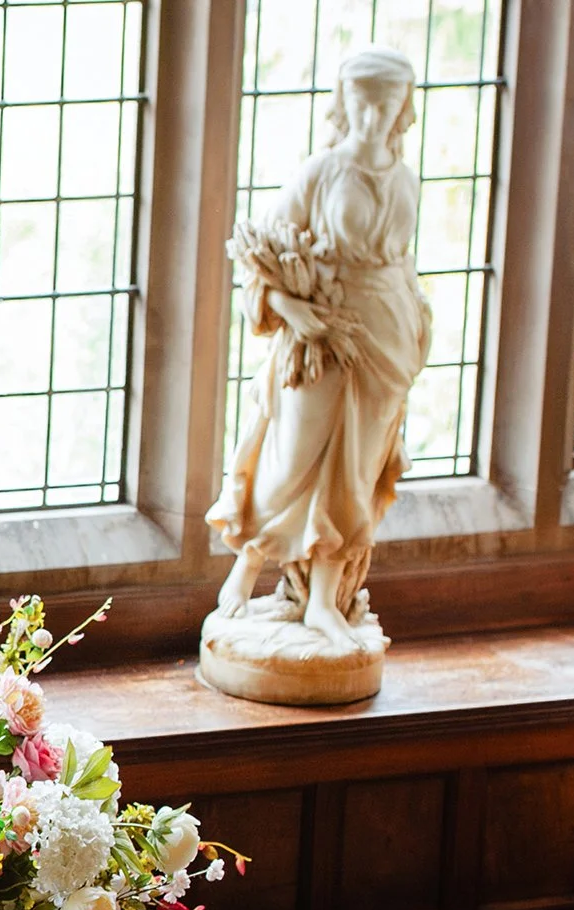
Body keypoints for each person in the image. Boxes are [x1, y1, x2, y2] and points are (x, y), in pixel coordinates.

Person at [209, 44, 432, 649]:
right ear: (344, 103)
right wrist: (293, 312)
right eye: (362, 102)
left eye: (386, 103)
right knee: (291, 456)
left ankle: (323, 604)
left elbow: (404, 263)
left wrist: (417, 324)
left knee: (356, 472)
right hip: (323, 338)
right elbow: (256, 254)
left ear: (403, 107)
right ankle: (249, 561)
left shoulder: (406, 179)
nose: (373, 116)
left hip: (387, 340)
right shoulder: (321, 172)